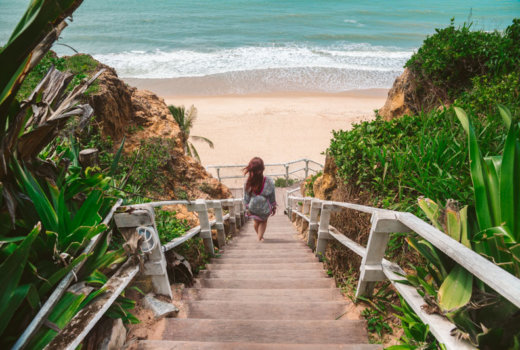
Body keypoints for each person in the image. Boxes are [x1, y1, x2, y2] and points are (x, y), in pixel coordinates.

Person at [243, 157, 276, 241]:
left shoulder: (248, 182)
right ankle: (260, 237)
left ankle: (260, 237)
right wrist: (273, 206)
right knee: (263, 222)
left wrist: (246, 207)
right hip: (265, 206)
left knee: (256, 222)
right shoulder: (268, 181)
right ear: (262, 169)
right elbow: (272, 195)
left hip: (253, 206)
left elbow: (246, 197)